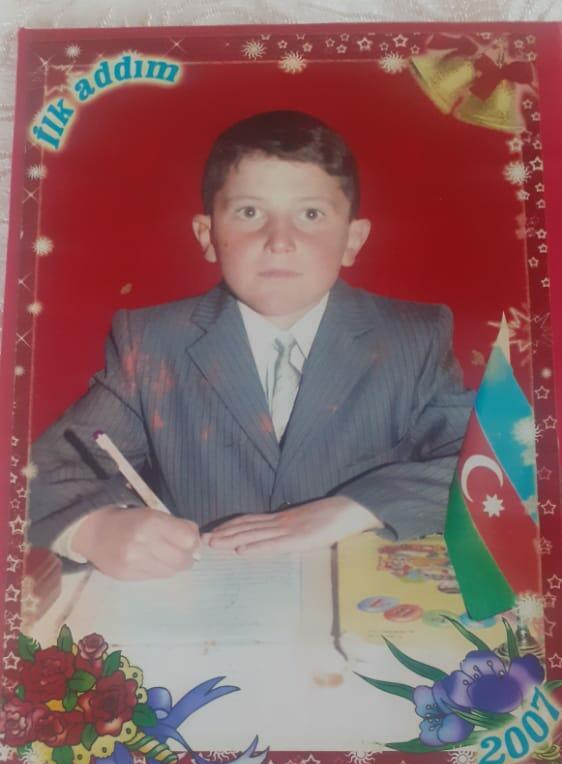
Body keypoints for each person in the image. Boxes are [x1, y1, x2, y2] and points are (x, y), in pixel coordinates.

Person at [29, 110, 474, 581]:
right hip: (205, 602)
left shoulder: (413, 337)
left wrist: (356, 507)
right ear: (208, 236)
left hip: (360, 601)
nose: (279, 241)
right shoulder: (152, 342)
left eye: (311, 214)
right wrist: (95, 528)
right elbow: (41, 473)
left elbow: (488, 465)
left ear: (352, 239)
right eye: (249, 213)